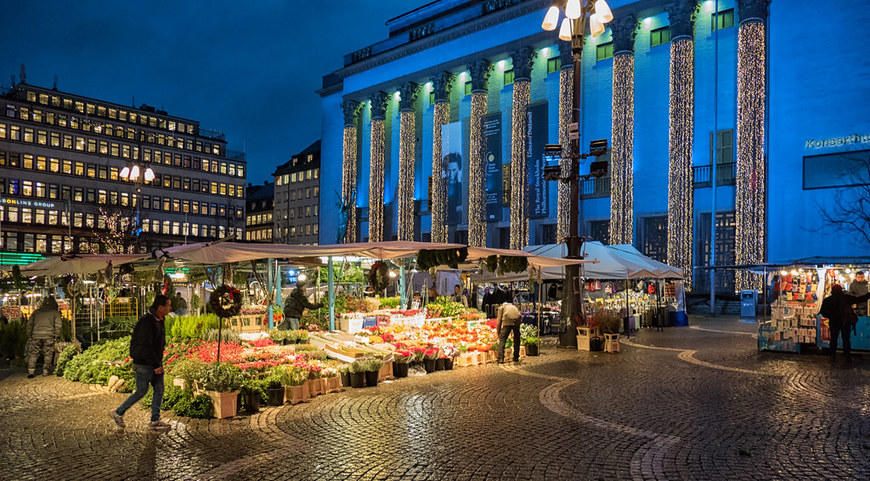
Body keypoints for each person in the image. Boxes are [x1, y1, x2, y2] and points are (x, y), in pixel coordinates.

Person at [110, 294, 172, 431]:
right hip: (144, 364)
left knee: (159, 389)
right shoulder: (147, 322)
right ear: (160, 307)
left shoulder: (159, 320)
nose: (170, 308)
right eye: (168, 305)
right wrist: (155, 364)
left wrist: (158, 363)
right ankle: (118, 412)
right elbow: (145, 346)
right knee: (141, 391)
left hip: (155, 362)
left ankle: (155, 421)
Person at [820, 284, 870, 362]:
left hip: (834, 322)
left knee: (833, 339)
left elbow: (823, 312)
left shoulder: (828, 300)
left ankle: (832, 356)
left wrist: (831, 316)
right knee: (846, 339)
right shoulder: (846, 298)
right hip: (845, 322)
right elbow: (859, 299)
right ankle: (847, 356)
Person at [25, 296, 62, 378]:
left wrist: (29, 335)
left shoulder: (36, 312)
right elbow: (58, 325)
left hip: (36, 336)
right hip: (49, 336)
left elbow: (29, 324)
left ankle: (31, 371)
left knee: (34, 353)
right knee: (48, 354)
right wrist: (57, 335)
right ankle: (45, 371)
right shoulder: (55, 313)